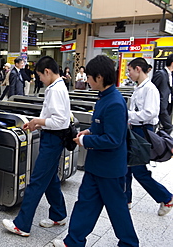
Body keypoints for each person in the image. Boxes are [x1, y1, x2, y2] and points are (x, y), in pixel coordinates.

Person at [51, 55, 139, 247]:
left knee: (117, 209)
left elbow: (114, 139)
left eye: (89, 77)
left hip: (110, 170)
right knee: (85, 203)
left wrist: (85, 140)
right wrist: (90, 131)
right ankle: (73, 241)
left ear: (99, 77)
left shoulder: (115, 102)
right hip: (96, 166)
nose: (86, 80)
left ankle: (129, 243)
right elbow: (104, 127)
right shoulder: (104, 98)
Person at [2, 56, 70, 237]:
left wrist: (38, 120)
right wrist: (38, 124)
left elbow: (60, 121)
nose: (39, 79)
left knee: (37, 181)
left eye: (40, 75)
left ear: (47, 71)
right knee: (50, 179)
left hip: (53, 140)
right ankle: (58, 214)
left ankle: (22, 225)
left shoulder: (55, 90)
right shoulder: (58, 86)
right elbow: (56, 118)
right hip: (53, 137)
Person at [125, 57, 173, 216]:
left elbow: (150, 113)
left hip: (143, 132)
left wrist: (128, 115)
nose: (128, 74)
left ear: (138, 69)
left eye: (130, 70)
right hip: (135, 130)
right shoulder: (139, 87)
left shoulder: (150, 89)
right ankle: (126, 200)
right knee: (127, 167)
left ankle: (166, 198)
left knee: (138, 170)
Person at [152, 54, 173, 134]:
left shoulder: (170, 75)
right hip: (160, 106)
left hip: (167, 105)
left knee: (159, 126)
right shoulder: (160, 74)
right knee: (168, 127)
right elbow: (153, 89)